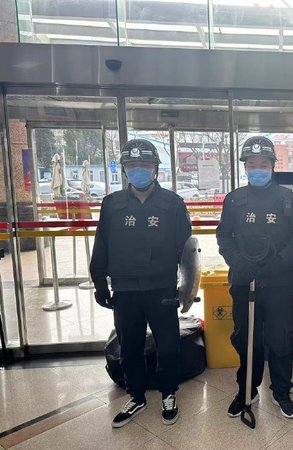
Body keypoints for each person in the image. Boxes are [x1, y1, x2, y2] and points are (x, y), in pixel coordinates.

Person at [90, 139, 191, 428]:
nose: (138, 170)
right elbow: (101, 246)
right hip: (125, 290)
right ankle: (136, 395)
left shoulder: (172, 204)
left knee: (168, 346)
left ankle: (168, 393)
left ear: (155, 168)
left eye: (144, 165)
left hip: (161, 288)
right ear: (124, 169)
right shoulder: (112, 204)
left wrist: (187, 289)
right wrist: (99, 282)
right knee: (130, 347)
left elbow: (186, 250)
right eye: (132, 165)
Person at [216, 136, 293, 419]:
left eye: (263, 164)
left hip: (278, 282)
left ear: (272, 167)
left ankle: (281, 391)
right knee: (247, 338)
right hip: (244, 280)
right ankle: (247, 390)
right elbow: (223, 235)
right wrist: (237, 262)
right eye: (252, 164)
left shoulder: (287, 199)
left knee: (280, 338)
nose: (258, 169)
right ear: (245, 167)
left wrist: (281, 261)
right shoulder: (234, 200)